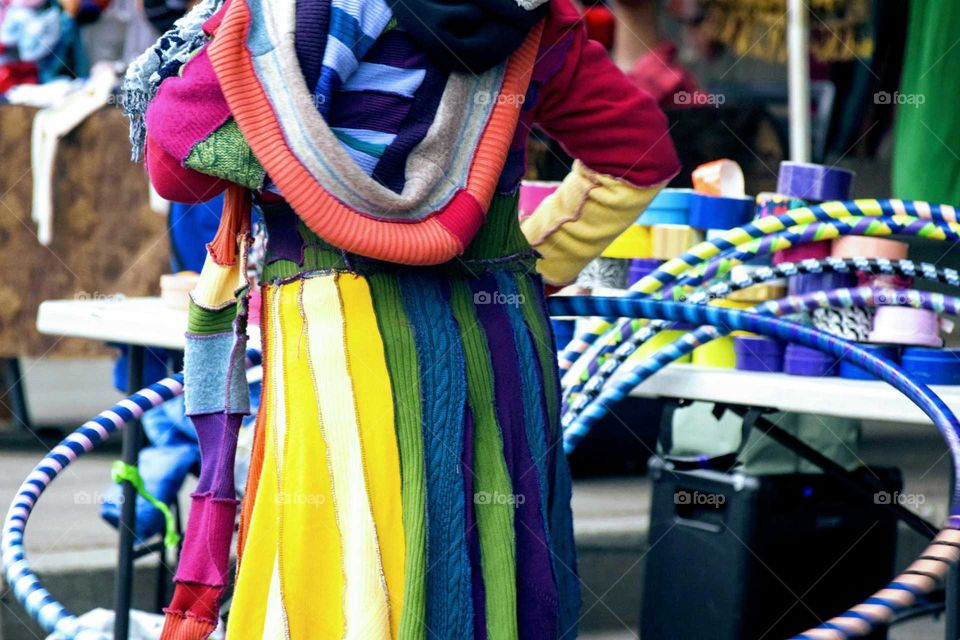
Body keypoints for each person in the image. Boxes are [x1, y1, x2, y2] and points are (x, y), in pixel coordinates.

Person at [127, 0, 679, 637]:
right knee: (501, 574)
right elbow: (641, 151)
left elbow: (179, 169)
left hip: (337, 344)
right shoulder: (530, 15)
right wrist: (534, 257)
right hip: (502, 342)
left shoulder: (281, 19)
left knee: (348, 569)